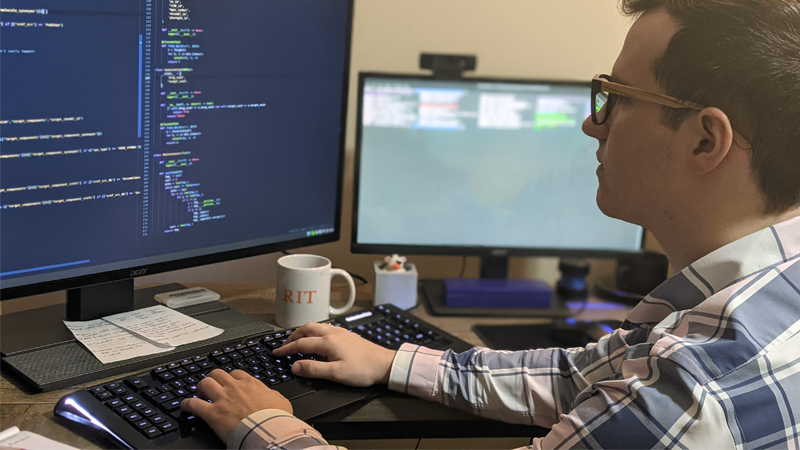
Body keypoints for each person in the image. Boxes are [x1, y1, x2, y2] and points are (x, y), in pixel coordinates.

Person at [181, 0, 800, 448]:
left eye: (618, 96)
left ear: (705, 141)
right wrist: (392, 362)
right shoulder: (764, 295)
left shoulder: (694, 394)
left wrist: (266, 429)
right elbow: (581, 376)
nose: (595, 123)